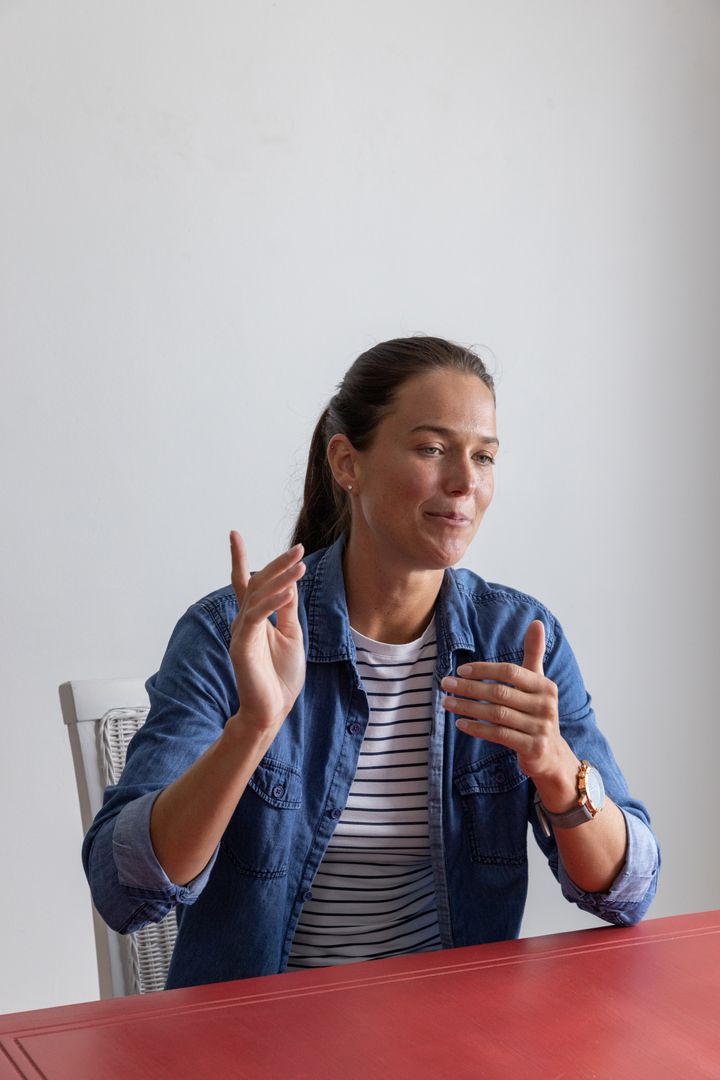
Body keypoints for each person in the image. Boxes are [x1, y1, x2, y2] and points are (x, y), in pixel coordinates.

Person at [83, 335, 659, 990]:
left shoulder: (520, 639)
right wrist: (252, 728)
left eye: (484, 456)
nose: (466, 482)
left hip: (446, 1030)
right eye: (433, 449)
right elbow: (122, 889)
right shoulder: (234, 632)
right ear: (347, 463)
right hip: (260, 1039)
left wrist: (556, 767)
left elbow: (626, 891)